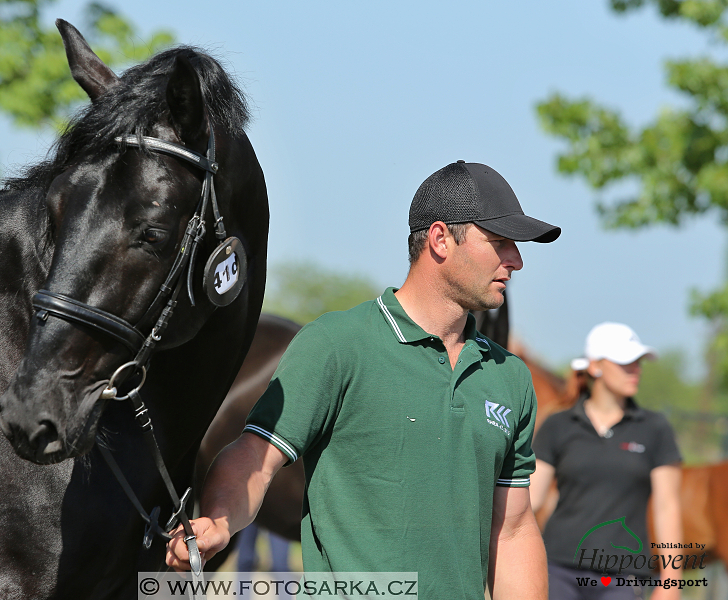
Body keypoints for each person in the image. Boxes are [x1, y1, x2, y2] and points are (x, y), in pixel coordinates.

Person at [167, 160, 561, 599]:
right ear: (440, 239)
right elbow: (254, 458)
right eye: (501, 242)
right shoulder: (337, 345)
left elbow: (513, 529)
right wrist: (219, 519)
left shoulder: (510, 377)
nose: (517, 260)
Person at [530, 323, 683, 600]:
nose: (636, 369)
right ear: (595, 366)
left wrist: (672, 582)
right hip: (558, 570)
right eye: (626, 362)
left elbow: (667, 507)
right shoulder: (558, 425)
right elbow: (531, 500)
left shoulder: (655, 428)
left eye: (638, 362)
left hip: (623, 578)